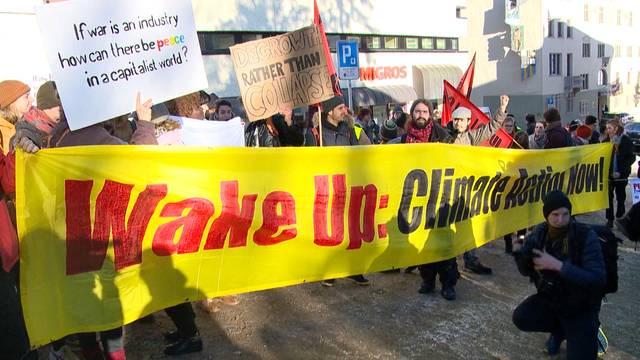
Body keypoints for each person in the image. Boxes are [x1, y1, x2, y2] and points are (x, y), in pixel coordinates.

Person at [38, 93, 202, 356]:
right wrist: (145, 123)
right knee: (107, 307)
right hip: (103, 236)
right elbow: (139, 162)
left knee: (87, 308)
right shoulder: (96, 138)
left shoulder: (58, 138)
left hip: (73, 240)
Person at [512, 190, 605, 359]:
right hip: (553, 299)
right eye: (555, 214)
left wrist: (558, 266)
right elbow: (526, 271)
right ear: (546, 215)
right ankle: (559, 330)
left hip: (581, 308)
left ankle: (588, 329)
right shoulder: (540, 232)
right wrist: (519, 252)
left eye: (565, 214)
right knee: (521, 317)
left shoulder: (585, 236)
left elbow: (597, 280)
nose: (560, 220)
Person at [391, 99, 459, 300]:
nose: (421, 115)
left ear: (430, 115)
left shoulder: (443, 137)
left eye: (425, 111)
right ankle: (427, 279)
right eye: (417, 111)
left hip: (440, 197)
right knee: (423, 243)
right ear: (412, 115)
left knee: (444, 242)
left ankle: (448, 283)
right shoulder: (403, 141)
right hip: (416, 198)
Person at [310, 95, 370, 286]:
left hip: (348, 187)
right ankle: (330, 271)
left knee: (352, 230)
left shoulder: (350, 130)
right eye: (341, 108)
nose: (345, 111)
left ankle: (354, 269)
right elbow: (309, 161)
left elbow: (360, 154)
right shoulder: (315, 134)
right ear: (329, 112)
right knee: (331, 231)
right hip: (327, 190)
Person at [449, 95, 509, 275]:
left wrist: (502, 109)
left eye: (462, 120)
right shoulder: (443, 136)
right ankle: (446, 266)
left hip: (464, 191)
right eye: (456, 119)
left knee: (467, 227)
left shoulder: (471, 137)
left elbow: (491, 128)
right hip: (445, 190)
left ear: (468, 122)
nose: (459, 122)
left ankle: (470, 260)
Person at [602, 119, 635, 228]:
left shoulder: (625, 140)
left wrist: (620, 172)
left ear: (616, 129)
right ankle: (610, 219)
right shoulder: (606, 141)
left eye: (609, 128)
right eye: (607, 128)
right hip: (609, 175)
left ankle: (620, 218)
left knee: (621, 197)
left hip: (621, 175)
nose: (607, 130)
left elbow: (631, 158)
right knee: (608, 198)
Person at [0, 80, 32, 154]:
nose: (32, 99)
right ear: (11, 102)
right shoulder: (2, 132)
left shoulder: (26, 125)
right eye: (26, 96)